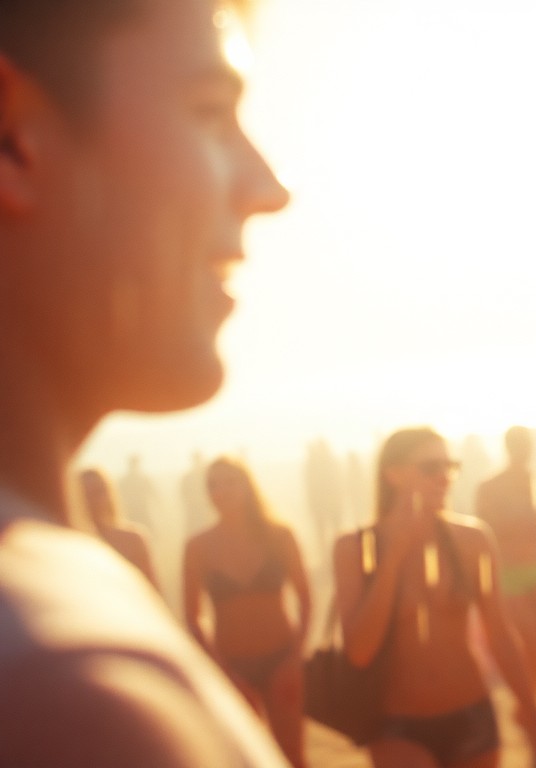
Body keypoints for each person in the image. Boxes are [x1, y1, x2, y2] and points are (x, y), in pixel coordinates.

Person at [0, 0, 291, 763]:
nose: (268, 187)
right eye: (209, 112)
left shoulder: (57, 581)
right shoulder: (75, 703)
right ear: (14, 142)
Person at [332, 427, 536, 768]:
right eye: (430, 468)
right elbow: (359, 651)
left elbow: (500, 634)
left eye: (449, 467)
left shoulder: (472, 540)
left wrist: (535, 720)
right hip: (396, 722)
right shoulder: (355, 548)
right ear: (393, 474)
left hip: (471, 712)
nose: (444, 477)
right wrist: (391, 561)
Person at [183, 457, 313, 768]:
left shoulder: (280, 536)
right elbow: (193, 616)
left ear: (248, 486)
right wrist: (222, 670)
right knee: (242, 761)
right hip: (231, 666)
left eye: (229, 482)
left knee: (292, 757)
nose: (220, 491)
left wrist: (294, 659)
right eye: (212, 485)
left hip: (281, 659)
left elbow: (306, 598)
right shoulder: (198, 546)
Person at [475, 425, 536, 696]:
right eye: (518, 445)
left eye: (526, 445)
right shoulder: (490, 486)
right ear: (508, 447)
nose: (523, 451)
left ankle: (529, 699)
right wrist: (514, 528)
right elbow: (482, 531)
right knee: (528, 639)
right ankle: (528, 703)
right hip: (508, 571)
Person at [79, 468, 160, 590]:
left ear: (109, 494)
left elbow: (153, 593)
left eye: (99, 492)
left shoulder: (133, 539)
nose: (94, 500)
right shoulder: (70, 543)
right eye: (87, 494)